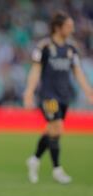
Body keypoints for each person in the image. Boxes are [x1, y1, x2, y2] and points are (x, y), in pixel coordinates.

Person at [23, 11, 93, 184]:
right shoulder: (44, 47)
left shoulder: (71, 48)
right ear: (57, 27)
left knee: (51, 130)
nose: (72, 29)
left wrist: (88, 91)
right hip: (48, 96)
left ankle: (34, 159)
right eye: (69, 26)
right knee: (57, 127)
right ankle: (57, 169)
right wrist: (29, 91)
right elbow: (36, 70)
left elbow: (78, 72)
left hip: (64, 96)